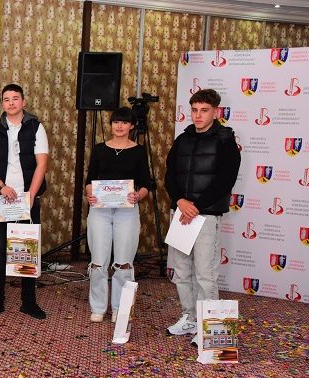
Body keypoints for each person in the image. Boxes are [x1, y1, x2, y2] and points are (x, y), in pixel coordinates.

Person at [164, 88, 240, 336]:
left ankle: (210, 329)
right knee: (181, 272)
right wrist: (180, 201)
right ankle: (189, 317)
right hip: (181, 214)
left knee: (206, 275)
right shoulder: (182, 139)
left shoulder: (226, 140)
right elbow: (169, 175)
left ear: (215, 112)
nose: (198, 115)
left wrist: (195, 206)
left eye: (204, 110)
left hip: (205, 215)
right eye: (194, 110)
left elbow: (226, 180)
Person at [0, 84, 48, 319]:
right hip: (2, 199)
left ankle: (29, 302)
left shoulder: (36, 127)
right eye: (6, 99)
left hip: (27, 198)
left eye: (15, 98)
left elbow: (42, 164)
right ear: (2, 104)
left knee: (27, 248)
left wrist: (31, 195)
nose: (11, 103)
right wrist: (2, 186)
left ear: (23, 102)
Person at [84, 107, 151, 323]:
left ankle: (120, 308)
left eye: (124, 122)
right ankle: (98, 307)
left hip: (127, 211)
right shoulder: (99, 149)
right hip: (100, 210)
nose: (119, 126)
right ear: (111, 124)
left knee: (123, 262)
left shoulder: (139, 151)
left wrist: (138, 195)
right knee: (98, 261)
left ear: (132, 126)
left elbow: (146, 184)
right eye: (115, 122)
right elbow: (89, 180)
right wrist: (90, 194)